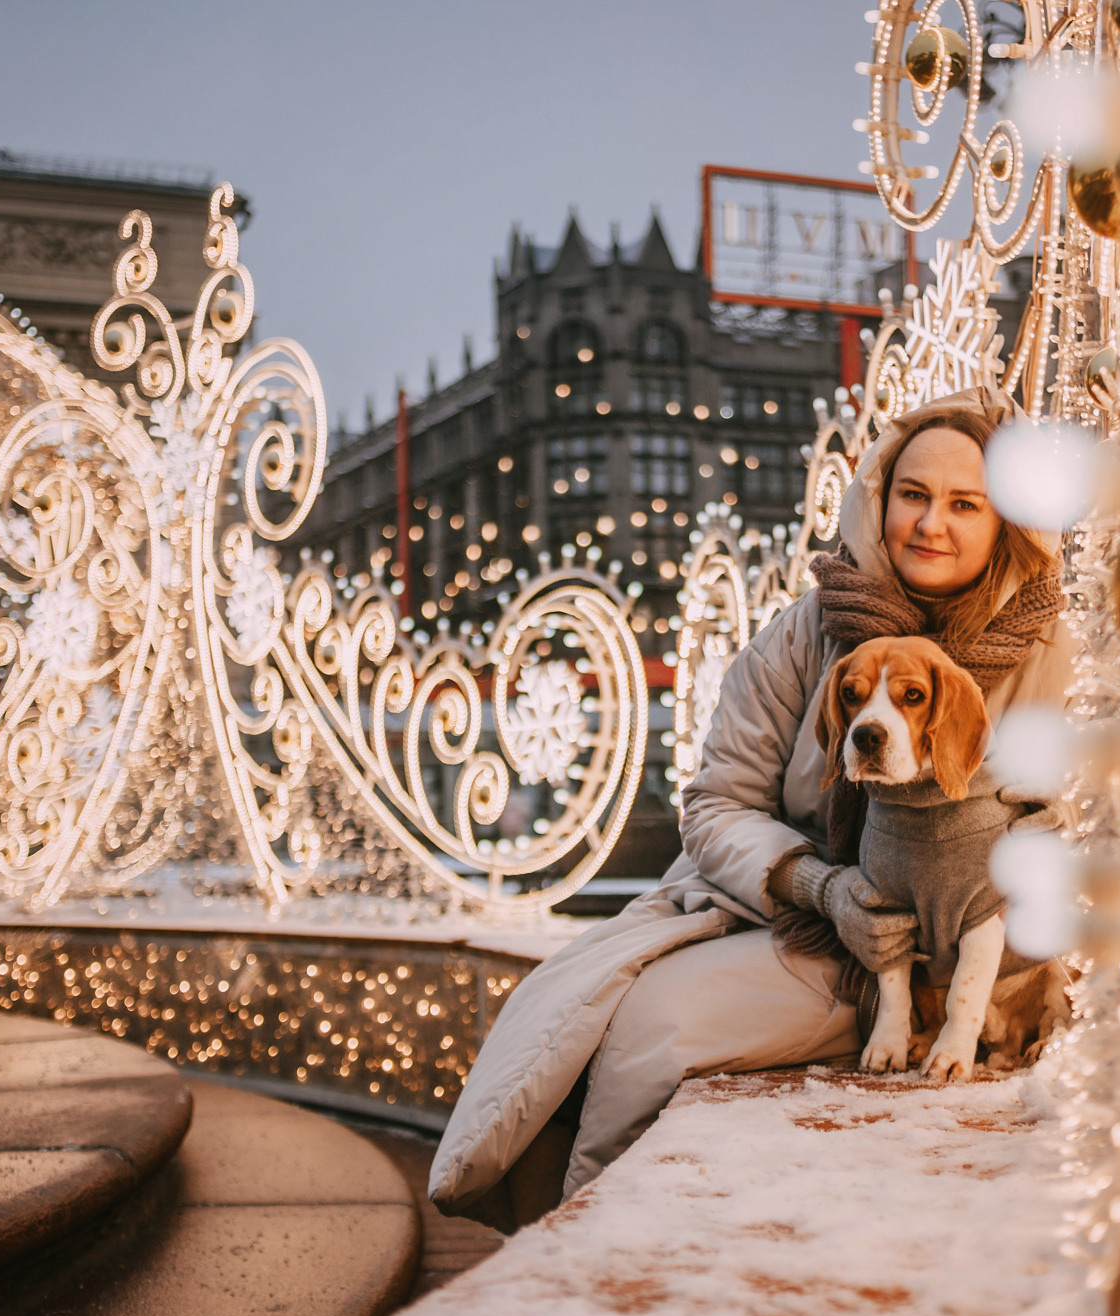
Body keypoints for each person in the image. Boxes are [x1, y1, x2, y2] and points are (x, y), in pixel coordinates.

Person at [429, 388, 1075, 1230]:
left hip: (968, 965)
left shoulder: (1052, 649)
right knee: (600, 1023)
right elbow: (717, 804)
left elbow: (1084, 825)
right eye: (913, 495)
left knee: (653, 1032)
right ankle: (578, 1253)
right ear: (878, 500)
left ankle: (592, 1254)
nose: (931, 523)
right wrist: (821, 890)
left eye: (966, 504)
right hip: (806, 933)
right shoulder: (805, 632)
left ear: (1007, 522)